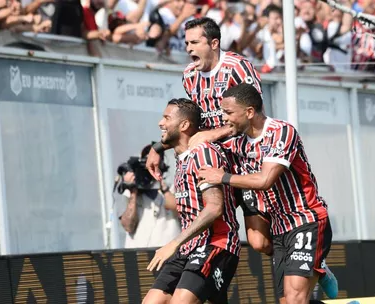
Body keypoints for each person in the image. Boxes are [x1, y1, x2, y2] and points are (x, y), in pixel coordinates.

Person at [146, 17, 273, 261]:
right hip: (211, 163)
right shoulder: (189, 76)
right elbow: (189, 122)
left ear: (214, 43)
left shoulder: (238, 67)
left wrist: (214, 134)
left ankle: (306, 259)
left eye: (195, 42)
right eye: (186, 43)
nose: (188, 49)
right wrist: (157, 147)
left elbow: (255, 117)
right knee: (207, 237)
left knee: (259, 242)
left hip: (245, 162)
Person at [197, 83, 337, 303]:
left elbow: (264, 180)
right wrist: (157, 150)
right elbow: (198, 141)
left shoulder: (281, 132)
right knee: (288, 300)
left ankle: (318, 264)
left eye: (229, 112)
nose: (224, 118)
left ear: (250, 112)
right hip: (279, 231)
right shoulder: (237, 143)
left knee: (294, 299)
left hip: (306, 220)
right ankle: (320, 266)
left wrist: (222, 177)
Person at [143, 98, 240, 304]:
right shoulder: (182, 156)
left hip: (216, 243)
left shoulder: (203, 153)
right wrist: (156, 149)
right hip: (189, 247)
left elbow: (214, 208)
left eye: (166, 118)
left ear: (184, 125)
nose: (160, 123)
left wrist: (173, 243)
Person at [118, 144, 181, 248]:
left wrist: (163, 188)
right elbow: (128, 226)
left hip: (169, 253)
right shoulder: (129, 193)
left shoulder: (173, 187)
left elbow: (180, 210)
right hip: (139, 255)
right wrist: (133, 191)